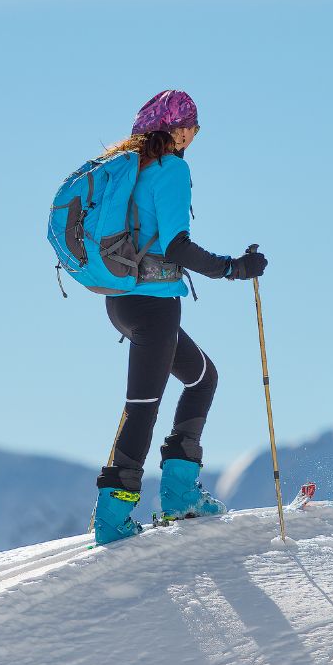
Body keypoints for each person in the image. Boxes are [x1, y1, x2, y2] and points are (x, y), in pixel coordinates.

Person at [93, 90, 267, 544]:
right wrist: (233, 268)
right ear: (175, 130)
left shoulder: (132, 170)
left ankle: (180, 495)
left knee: (202, 378)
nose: (194, 135)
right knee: (142, 407)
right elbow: (176, 246)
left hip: (122, 300)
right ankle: (113, 519)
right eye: (192, 125)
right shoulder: (172, 169)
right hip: (154, 306)